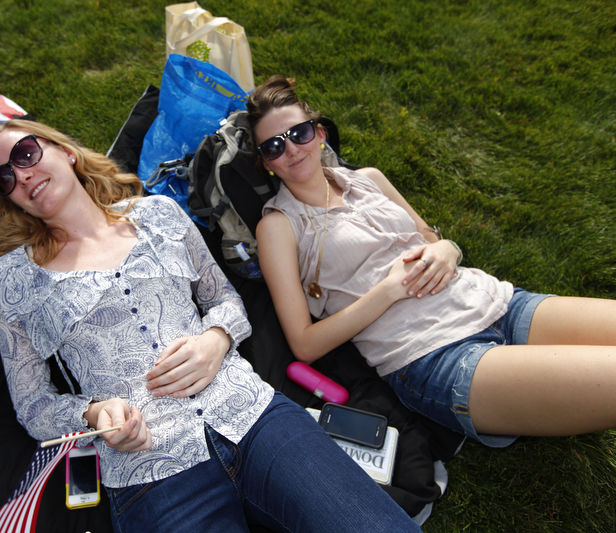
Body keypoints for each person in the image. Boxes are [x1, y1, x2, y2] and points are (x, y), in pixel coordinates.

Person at [0, 119, 420, 533]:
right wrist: (94, 414)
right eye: (4, 177)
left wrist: (215, 340)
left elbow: (224, 300)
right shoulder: (9, 281)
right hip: (150, 469)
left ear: (65, 152)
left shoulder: (159, 213)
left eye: (25, 154)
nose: (21, 175)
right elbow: (32, 405)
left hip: (251, 417)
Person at [248, 75, 616, 448]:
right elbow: (304, 344)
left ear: (320, 134)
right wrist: (390, 290)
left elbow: (427, 236)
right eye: (274, 146)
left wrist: (448, 249)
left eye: (299, 133)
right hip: (432, 353)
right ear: (266, 163)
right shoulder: (278, 227)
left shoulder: (369, 179)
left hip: (490, 300)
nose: (291, 149)